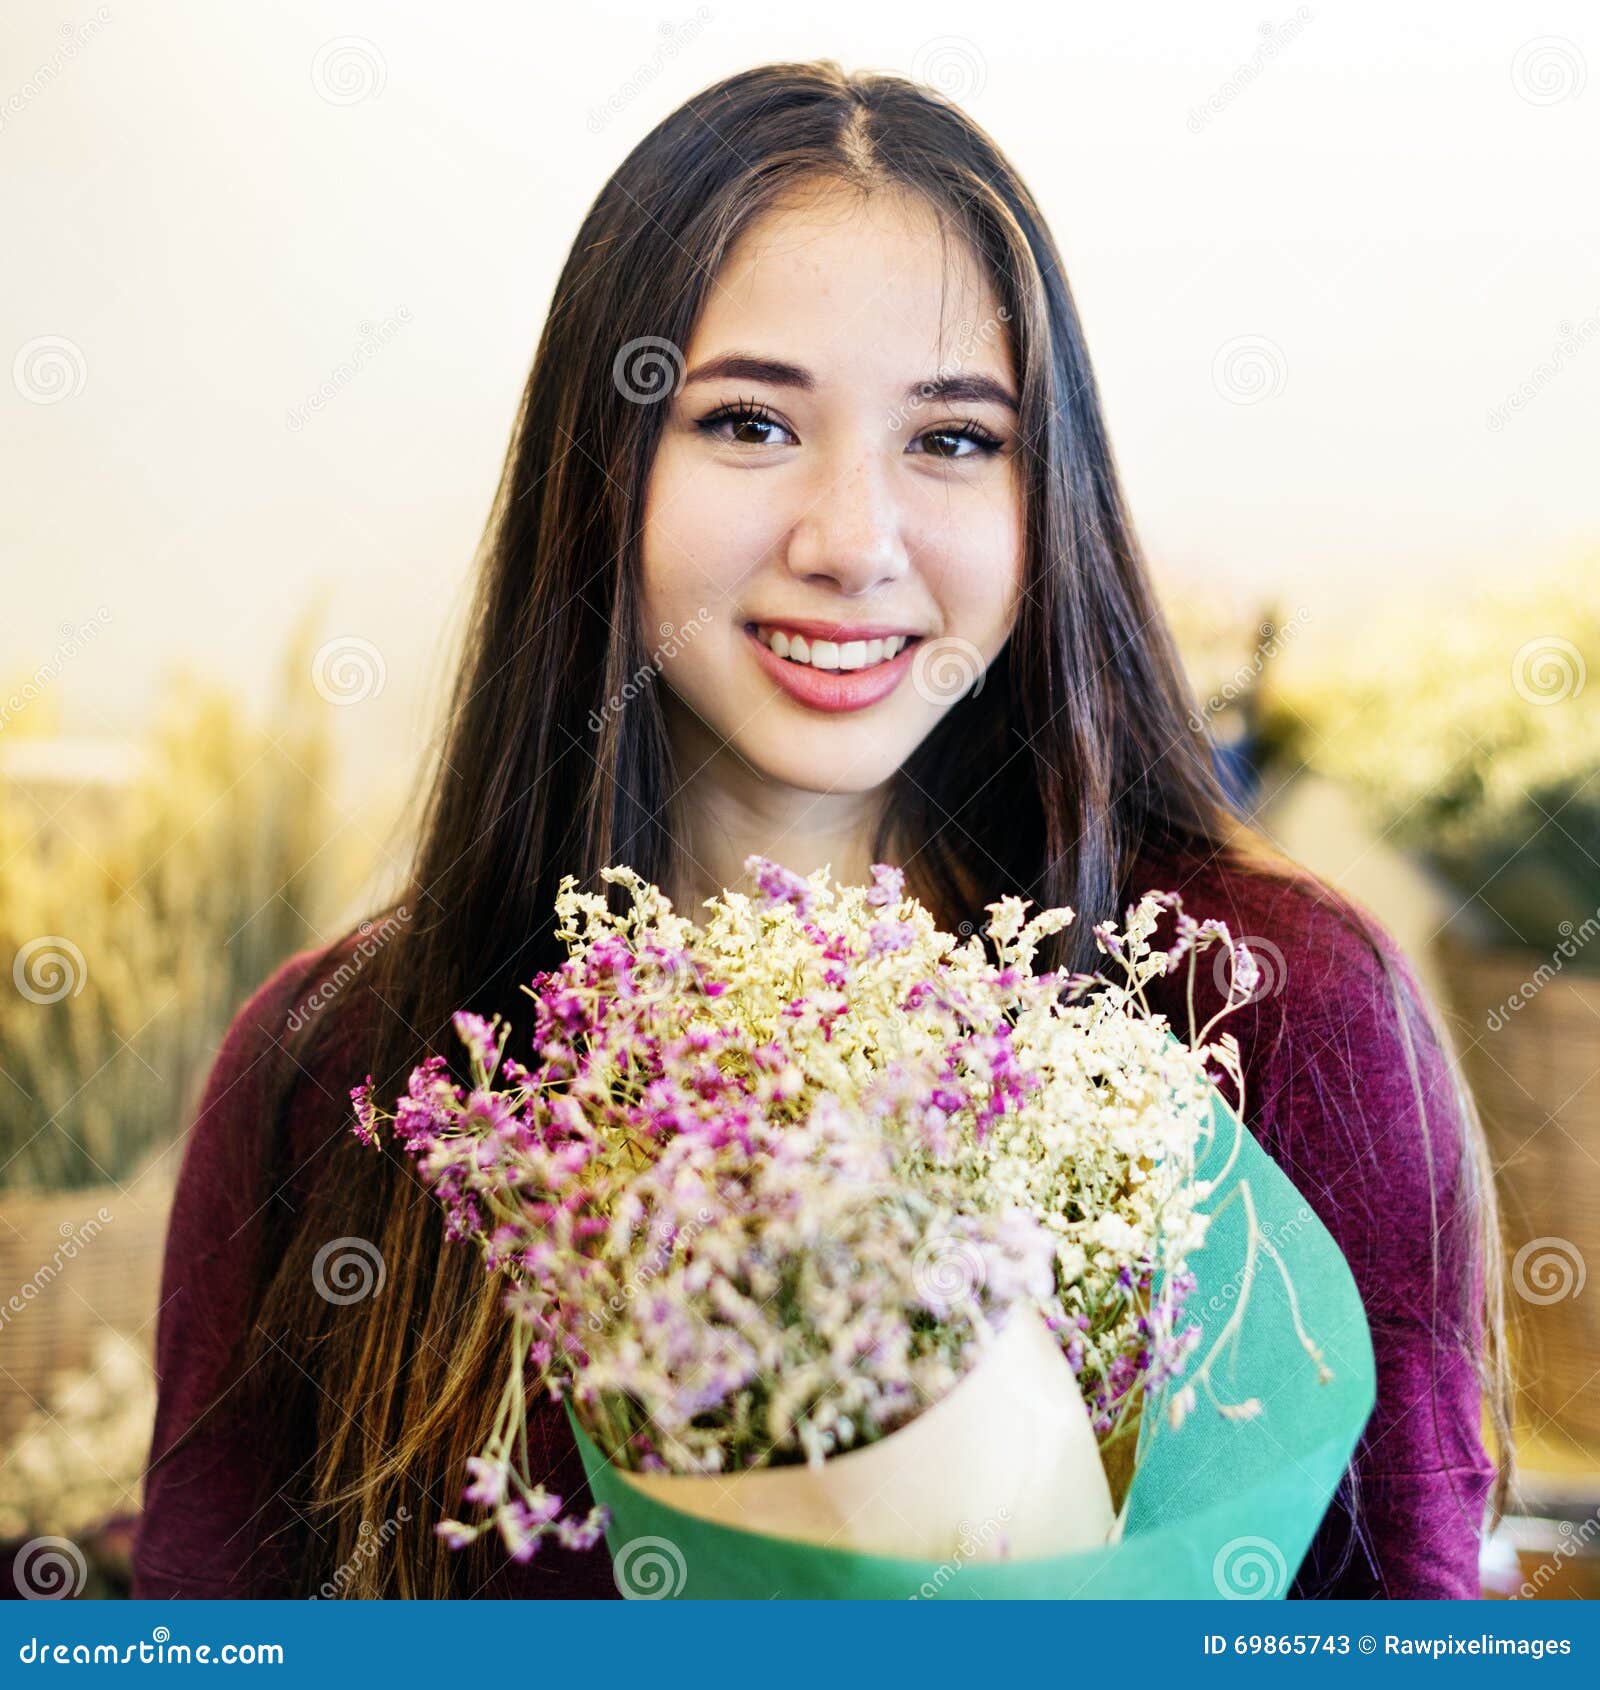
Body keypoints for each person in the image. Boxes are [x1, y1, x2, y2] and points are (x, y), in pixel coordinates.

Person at [132, 59, 1508, 1601]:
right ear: (601, 468)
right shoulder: (337, 1071)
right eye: (747, 422)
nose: (852, 541)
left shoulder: (1281, 1015)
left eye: (955, 440)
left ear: (1045, 497)